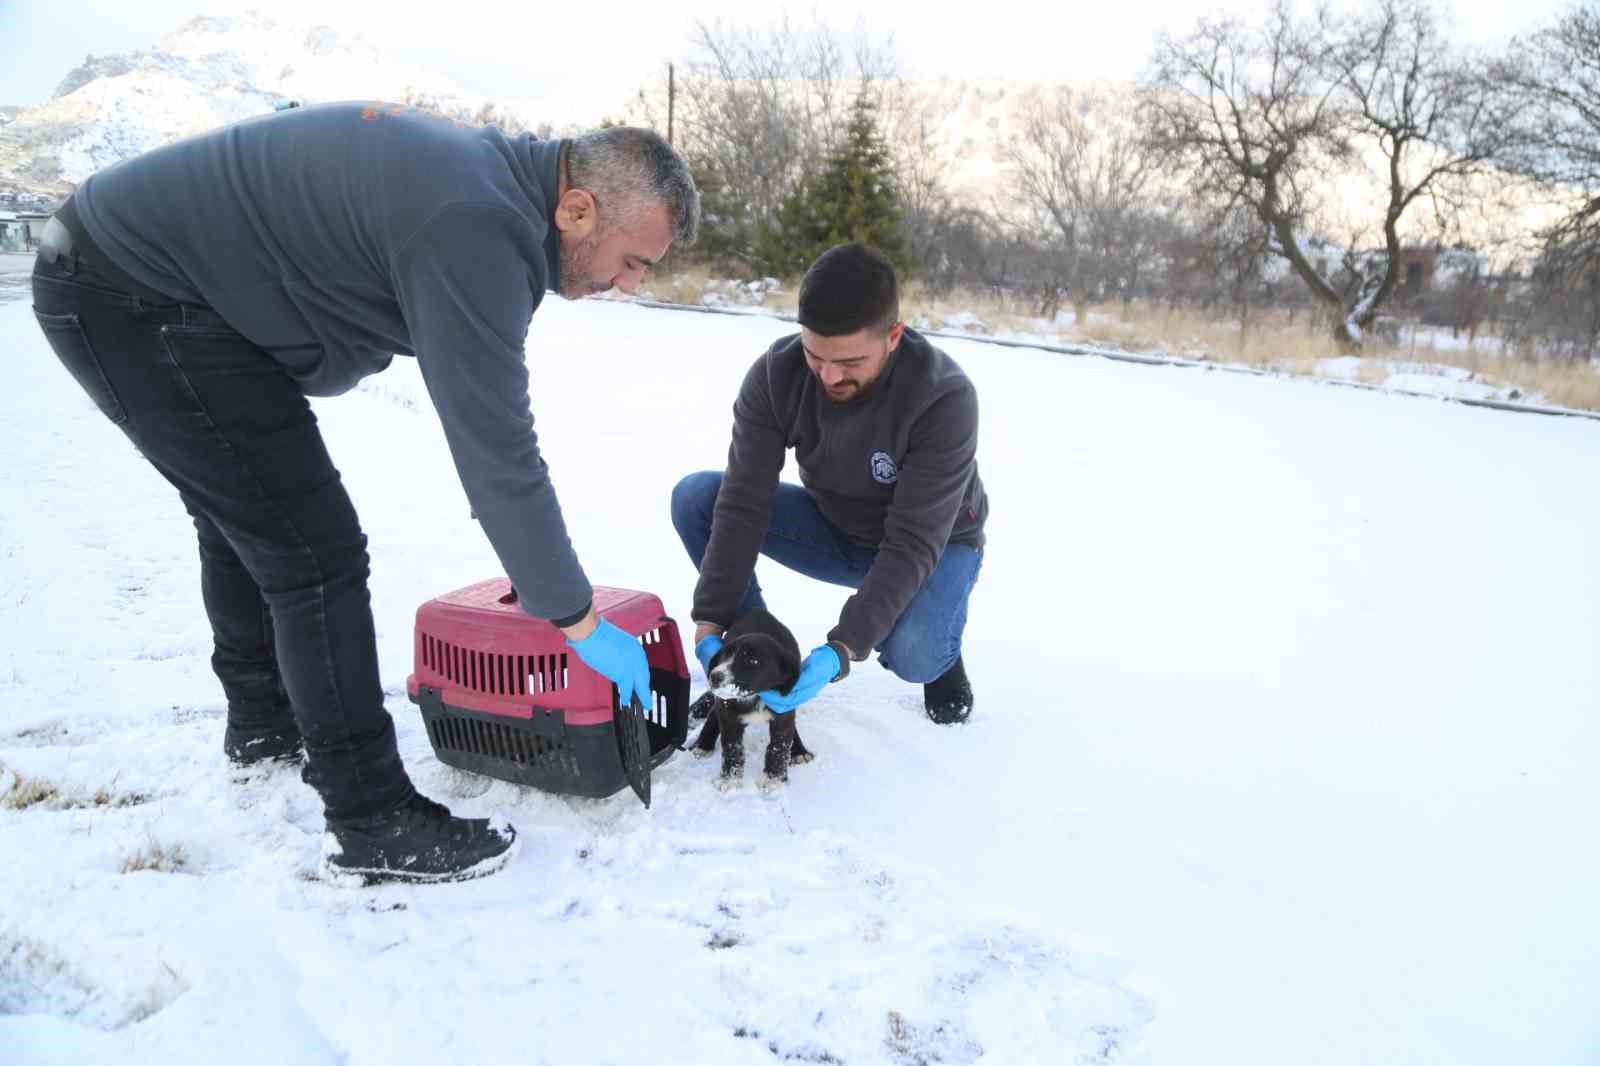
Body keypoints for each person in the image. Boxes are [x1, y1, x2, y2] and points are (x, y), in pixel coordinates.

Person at [30, 102, 698, 884]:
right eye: (632, 262)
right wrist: (577, 619)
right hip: (129, 291)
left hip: (141, 280)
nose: (627, 283)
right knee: (314, 553)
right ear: (577, 209)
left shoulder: (487, 190)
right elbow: (498, 456)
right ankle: (371, 817)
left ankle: (262, 728)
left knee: (249, 513)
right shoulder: (477, 224)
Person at [672, 242, 988, 726]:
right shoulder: (777, 375)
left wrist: (844, 647)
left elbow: (911, 542)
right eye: (816, 355)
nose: (828, 375)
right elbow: (743, 503)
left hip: (935, 546)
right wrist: (713, 617)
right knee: (697, 499)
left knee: (915, 654)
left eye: (850, 362)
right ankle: (757, 648)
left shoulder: (942, 397)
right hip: (834, 527)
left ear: (893, 337)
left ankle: (938, 651)